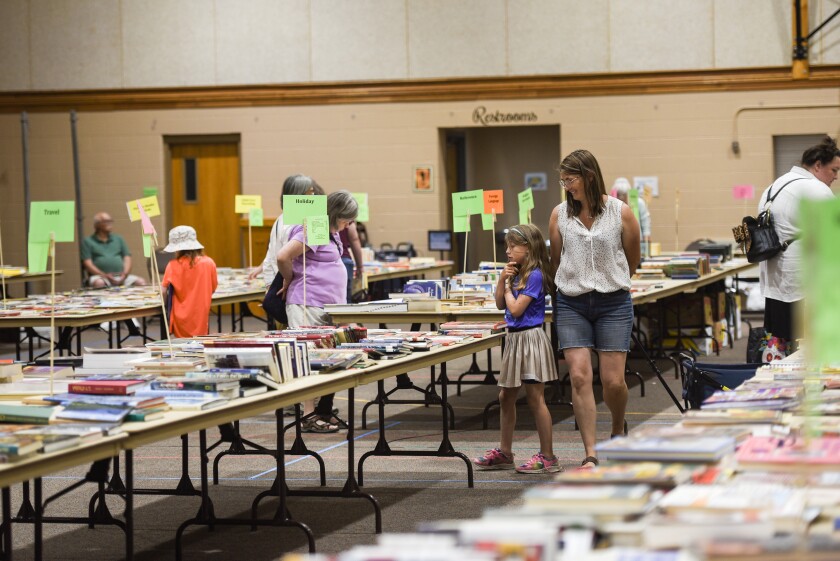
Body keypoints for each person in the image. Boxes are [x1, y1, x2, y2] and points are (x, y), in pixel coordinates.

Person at [549, 149, 641, 470]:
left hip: (613, 301)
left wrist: (609, 277)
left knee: (613, 381)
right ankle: (590, 452)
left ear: (589, 176)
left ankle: (617, 426)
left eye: (570, 179)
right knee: (578, 376)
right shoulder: (560, 214)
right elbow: (556, 260)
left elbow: (633, 259)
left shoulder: (621, 212)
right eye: (563, 180)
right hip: (572, 301)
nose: (566, 186)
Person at [473, 224, 561, 474]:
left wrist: (509, 286)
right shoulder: (515, 272)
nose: (508, 252)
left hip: (531, 340)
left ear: (529, 248)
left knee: (535, 398)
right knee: (506, 396)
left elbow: (515, 309)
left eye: (513, 247)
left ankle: (548, 456)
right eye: (507, 247)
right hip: (513, 340)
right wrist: (502, 280)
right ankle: (505, 452)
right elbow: (500, 302)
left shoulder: (534, 275)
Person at [277, 190, 359, 432]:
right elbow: (283, 256)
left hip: (326, 305)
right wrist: (288, 279)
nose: (350, 224)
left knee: (328, 359)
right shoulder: (312, 228)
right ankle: (308, 416)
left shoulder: (330, 232)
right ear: (336, 214)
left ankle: (323, 409)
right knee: (309, 360)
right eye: (347, 218)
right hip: (307, 302)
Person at [759, 136, 839, 344]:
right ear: (818, 165)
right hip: (801, 285)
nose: (836, 177)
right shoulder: (816, 189)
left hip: (775, 281)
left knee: (783, 345)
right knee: (807, 347)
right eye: (834, 170)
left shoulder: (775, 185)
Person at [248, 175, 325, 326]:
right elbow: (276, 255)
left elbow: (271, 256)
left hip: (297, 290)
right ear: (299, 194)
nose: (313, 195)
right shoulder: (291, 221)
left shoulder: (282, 219)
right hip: (296, 291)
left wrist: (269, 285)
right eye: (309, 192)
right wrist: (271, 284)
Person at [161, 225, 218, 338]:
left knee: (182, 347)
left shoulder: (172, 265)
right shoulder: (209, 263)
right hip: (201, 314)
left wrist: (164, 305)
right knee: (200, 345)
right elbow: (213, 287)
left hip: (180, 316)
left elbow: (163, 291)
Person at [81, 212, 147, 288]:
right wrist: (104, 275)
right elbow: (88, 264)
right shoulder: (88, 241)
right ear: (97, 224)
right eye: (106, 221)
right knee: (99, 283)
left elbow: (127, 258)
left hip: (121, 276)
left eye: (110, 221)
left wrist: (125, 274)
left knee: (141, 282)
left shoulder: (118, 239)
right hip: (100, 277)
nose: (110, 224)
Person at [612, 177, 651, 255]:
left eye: (624, 194)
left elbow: (646, 225)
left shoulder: (639, 203)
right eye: (619, 194)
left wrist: (647, 248)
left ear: (628, 193)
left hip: (637, 242)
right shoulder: (611, 204)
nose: (622, 197)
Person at [339, 221, 364, 302]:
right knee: (345, 299)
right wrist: (360, 266)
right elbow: (354, 239)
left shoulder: (320, 212)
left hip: (324, 262)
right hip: (344, 260)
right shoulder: (346, 212)